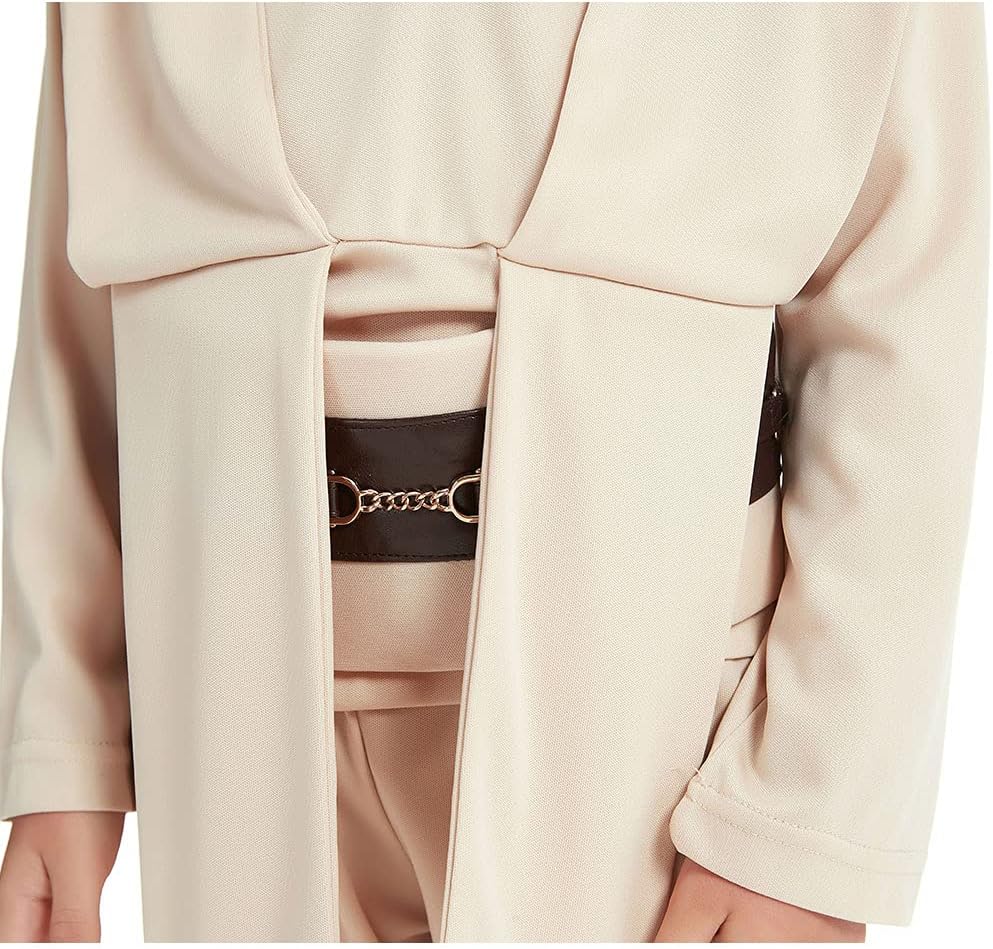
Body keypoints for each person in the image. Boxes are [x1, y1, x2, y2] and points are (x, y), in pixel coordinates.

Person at [0, 2, 987, 943]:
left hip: (659, 709)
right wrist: (66, 727)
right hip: (220, 684)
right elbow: (86, 270)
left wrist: (806, 808)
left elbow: (905, 301)